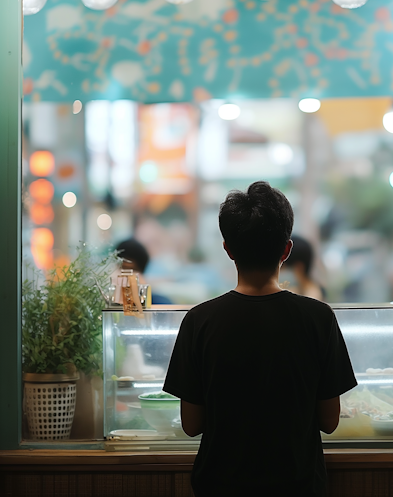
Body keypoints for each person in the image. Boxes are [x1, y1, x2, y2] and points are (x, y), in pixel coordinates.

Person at [163, 181, 357, 497]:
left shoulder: (199, 321)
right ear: (287, 250)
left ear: (228, 249)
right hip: (298, 486)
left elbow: (191, 424)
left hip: (220, 486)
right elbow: (330, 420)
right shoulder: (318, 317)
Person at [116, 238, 171, 304]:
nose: (127, 276)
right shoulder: (105, 303)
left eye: (133, 271)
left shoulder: (161, 305)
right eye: (124, 269)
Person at [280, 234, 325, 301]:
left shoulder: (312, 297)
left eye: (282, 267)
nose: (279, 273)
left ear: (298, 267)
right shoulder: (300, 291)